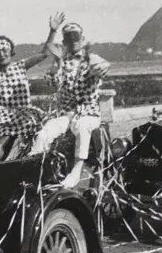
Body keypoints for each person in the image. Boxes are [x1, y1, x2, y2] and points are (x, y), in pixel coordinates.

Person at [0, 12, 65, 162]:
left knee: (19, 139)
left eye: (4, 50)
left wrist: (53, 31)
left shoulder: (21, 65)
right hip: (2, 117)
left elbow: (44, 53)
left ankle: (15, 162)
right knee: (3, 140)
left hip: (22, 114)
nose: (1, 54)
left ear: (11, 51)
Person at [29, 22, 110, 188]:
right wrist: (58, 61)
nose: (73, 40)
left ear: (82, 39)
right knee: (45, 133)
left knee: (81, 126)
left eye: (76, 36)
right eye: (68, 37)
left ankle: (76, 171)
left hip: (89, 113)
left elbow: (104, 68)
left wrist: (100, 68)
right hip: (66, 114)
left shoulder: (91, 58)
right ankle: (36, 171)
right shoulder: (61, 61)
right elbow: (52, 83)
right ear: (64, 41)